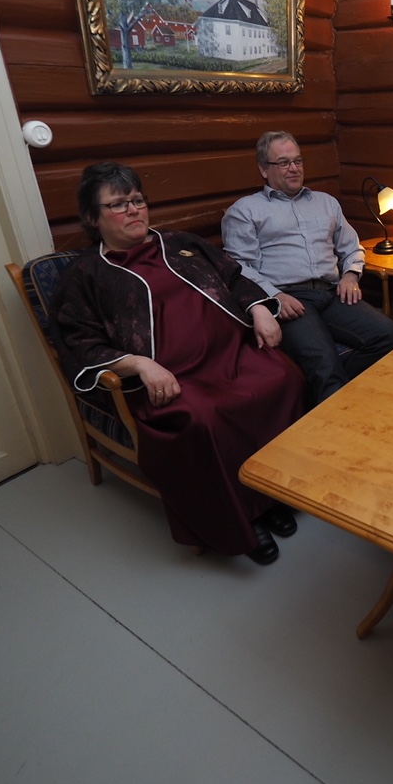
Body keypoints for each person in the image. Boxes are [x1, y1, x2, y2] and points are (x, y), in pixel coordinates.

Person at [52, 162, 305, 565]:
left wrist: (259, 308)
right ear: (92, 217)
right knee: (201, 417)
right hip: (171, 379)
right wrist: (139, 364)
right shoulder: (86, 274)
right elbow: (79, 342)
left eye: (137, 200)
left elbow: (234, 277)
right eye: (118, 204)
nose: (133, 210)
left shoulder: (182, 243)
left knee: (284, 377)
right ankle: (241, 516)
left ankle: (270, 494)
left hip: (232, 355)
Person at [222, 131, 393, 405]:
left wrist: (351, 275)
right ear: (263, 169)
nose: (294, 168)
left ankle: (340, 389)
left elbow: (352, 247)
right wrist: (275, 296)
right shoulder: (245, 210)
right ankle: (337, 419)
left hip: (332, 293)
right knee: (323, 362)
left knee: (392, 337)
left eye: (298, 161)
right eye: (284, 163)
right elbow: (240, 268)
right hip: (289, 299)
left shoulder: (326, 202)